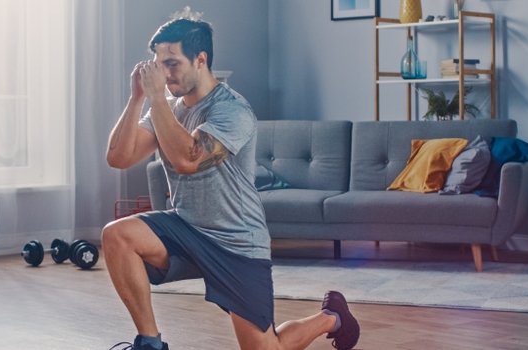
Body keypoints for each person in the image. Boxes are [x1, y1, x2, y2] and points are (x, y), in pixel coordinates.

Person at [103, 18, 360, 350]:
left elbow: (189, 160)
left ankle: (332, 317)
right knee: (117, 235)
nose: (164, 74)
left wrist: (155, 101)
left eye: (172, 63)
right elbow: (118, 158)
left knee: (267, 347)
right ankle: (150, 343)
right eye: (158, 65)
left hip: (237, 245)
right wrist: (138, 97)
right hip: (186, 229)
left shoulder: (232, 110)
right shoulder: (165, 110)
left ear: (201, 59)